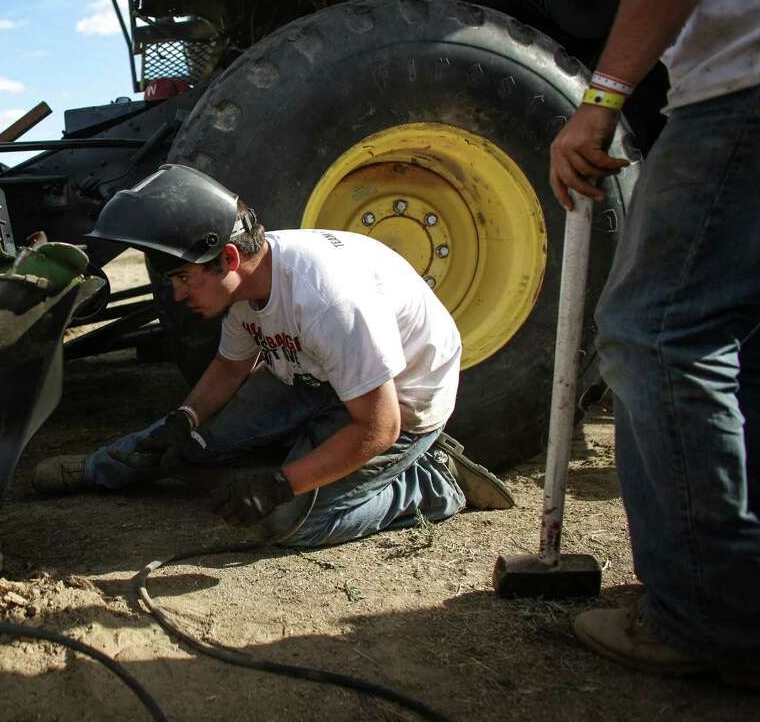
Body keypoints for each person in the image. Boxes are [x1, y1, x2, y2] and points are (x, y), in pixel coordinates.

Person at [33, 164, 512, 547]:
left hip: (399, 405)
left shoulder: (327, 302)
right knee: (188, 444)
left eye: (183, 279)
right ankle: (101, 469)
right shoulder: (247, 286)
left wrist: (281, 485)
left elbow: (379, 426)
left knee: (291, 521)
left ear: (228, 259)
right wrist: (184, 418)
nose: (177, 296)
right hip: (318, 376)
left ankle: (431, 481)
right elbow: (230, 367)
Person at [548, 0, 758, 685]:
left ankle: (711, 612)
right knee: (741, 333)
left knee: (656, 333)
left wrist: (603, 96)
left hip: (742, 84)